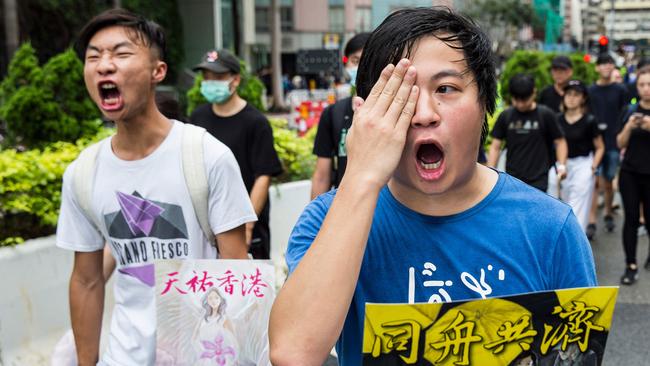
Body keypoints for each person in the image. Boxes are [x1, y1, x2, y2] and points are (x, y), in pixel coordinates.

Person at [268, 8, 596, 366]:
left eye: (445, 88)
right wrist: (361, 177)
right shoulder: (327, 220)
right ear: (367, 112)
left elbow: (579, 353)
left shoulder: (550, 228)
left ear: (486, 103)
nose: (424, 113)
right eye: (400, 94)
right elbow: (294, 353)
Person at [56, 9, 256, 365]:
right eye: (93, 57)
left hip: (200, 355)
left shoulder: (206, 155)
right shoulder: (83, 173)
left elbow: (235, 268)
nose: (104, 65)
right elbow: (86, 282)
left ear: (157, 71)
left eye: (120, 54)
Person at [190, 49, 283, 259]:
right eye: (206, 77)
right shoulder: (197, 117)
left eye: (218, 77)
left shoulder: (256, 122)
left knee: (245, 288)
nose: (210, 82)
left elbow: (263, 177)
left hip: (246, 230)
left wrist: (247, 226)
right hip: (206, 228)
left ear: (235, 80)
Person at [310, 32, 371, 199]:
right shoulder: (332, 114)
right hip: (343, 205)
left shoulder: (394, 110)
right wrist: (314, 221)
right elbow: (322, 175)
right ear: (346, 64)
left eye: (368, 60)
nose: (361, 67)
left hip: (387, 210)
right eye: (355, 61)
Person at [487, 73, 568, 192]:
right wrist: (490, 171)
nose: (520, 104)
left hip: (539, 178)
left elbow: (560, 141)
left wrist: (562, 165)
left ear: (534, 93)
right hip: (512, 178)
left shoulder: (545, 115)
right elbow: (495, 146)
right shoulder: (506, 116)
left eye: (524, 100)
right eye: (516, 100)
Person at [586, 54, 629, 239]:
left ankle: (609, 212)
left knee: (609, 181)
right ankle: (592, 220)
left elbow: (624, 113)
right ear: (597, 68)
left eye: (609, 63)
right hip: (594, 143)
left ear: (613, 67)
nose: (606, 67)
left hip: (612, 141)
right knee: (594, 181)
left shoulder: (621, 90)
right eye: (602, 64)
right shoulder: (590, 91)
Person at [552, 80, 604, 231]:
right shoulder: (557, 119)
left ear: (583, 98)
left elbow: (600, 147)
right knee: (561, 201)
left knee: (578, 206)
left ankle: (576, 240)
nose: (571, 98)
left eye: (576, 94)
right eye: (568, 94)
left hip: (583, 164)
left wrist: (594, 166)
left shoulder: (589, 120)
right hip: (561, 164)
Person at [616, 65, 650, 285]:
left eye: (649, 85)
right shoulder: (630, 111)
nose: (646, 89)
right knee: (630, 220)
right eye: (642, 85)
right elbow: (619, 143)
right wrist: (629, 127)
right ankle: (631, 265)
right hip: (630, 172)